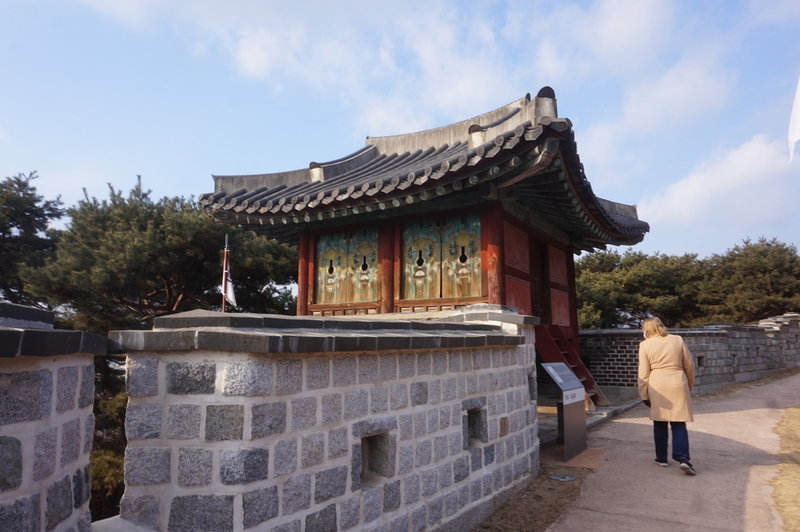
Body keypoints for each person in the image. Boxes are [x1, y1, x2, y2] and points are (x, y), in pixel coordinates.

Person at [637, 317, 697, 475]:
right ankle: (683, 458)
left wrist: (643, 394)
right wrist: (689, 385)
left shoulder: (645, 345)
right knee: (678, 423)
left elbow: (643, 372)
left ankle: (661, 458)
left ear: (646, 329)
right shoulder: (677, 340)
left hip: (657, 384)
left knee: (659, 422)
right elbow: (689, 365)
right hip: (677, 381)